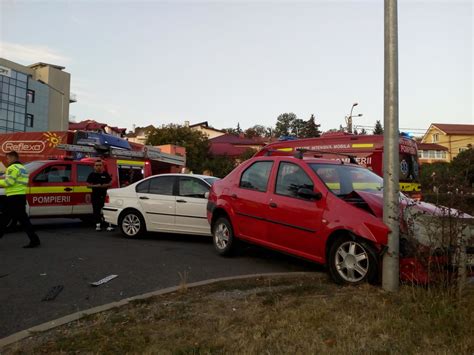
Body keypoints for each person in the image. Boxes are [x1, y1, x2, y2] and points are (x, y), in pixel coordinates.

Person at [0, 151, 41, 248]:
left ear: (13, 158)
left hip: (13, 198)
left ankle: (35, 240)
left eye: (8, 158)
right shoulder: (23, 168)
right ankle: (35, 240)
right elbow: (13, 178)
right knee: (23, 220)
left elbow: (8, 182)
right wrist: (3, 177)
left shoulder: (12, 168)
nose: (7, 160)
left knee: (4, 219)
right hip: (20, 196)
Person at [86, 160, 112, 231]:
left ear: (102, 166)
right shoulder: (92, 175)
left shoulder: (105, 174)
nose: (98, 167)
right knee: (96, 210)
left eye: (100, 165)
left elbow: (110, 183)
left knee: (106, 210)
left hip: (104, 196)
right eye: (97, 165)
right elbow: (87, 185)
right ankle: (98, 225)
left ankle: (108, 225)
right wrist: (95, 186)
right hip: (95, 195)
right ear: (94, 167)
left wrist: (104, 185)